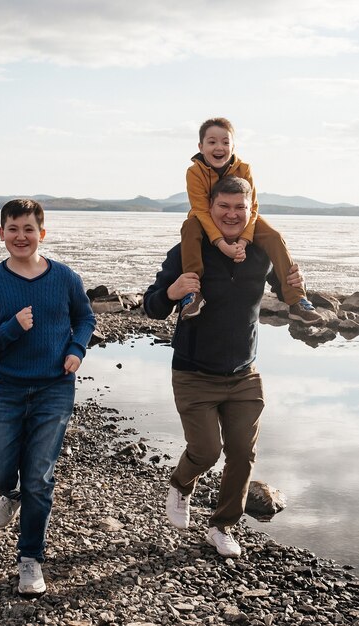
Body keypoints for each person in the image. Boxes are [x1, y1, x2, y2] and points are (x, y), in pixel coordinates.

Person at [144, 176, 304, 558]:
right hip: (194, 372)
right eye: (224, 207)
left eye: (239, 208)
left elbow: (284, 290)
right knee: (206, 451)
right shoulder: (188, 249)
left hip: (244, 373)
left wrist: (295, 284)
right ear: (210, 208)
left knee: (242, 454)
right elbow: (152, 306)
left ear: (251, 211)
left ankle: (222, 526)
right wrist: (172, 291)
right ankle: (181, 484)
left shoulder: (261, 252)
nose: (231, 214)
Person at [0, 199, 96, 595]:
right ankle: (10, 492)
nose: (20, 236)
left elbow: (85, 317)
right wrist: (11, 328)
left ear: (42, 233)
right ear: (1, 233)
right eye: (13, 229)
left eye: (28, 229)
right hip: (7, 388)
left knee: (40, 477)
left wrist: (77, 349)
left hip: (54, 388)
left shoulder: (64, 277)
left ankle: (30, 559)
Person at [180, 117, 321, 326]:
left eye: (225, 142)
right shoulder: (194, 172)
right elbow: (201, 210)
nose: (219, 147)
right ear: (201, 146)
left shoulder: (244, 168)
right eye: (212, 142)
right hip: (205, 218)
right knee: (189, 227)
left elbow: (252, 207)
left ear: (233, 146)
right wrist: (221, 244)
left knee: (274, 236)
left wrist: (244, 241)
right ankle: (192, 294)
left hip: (245, 219)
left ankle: (297, 300)